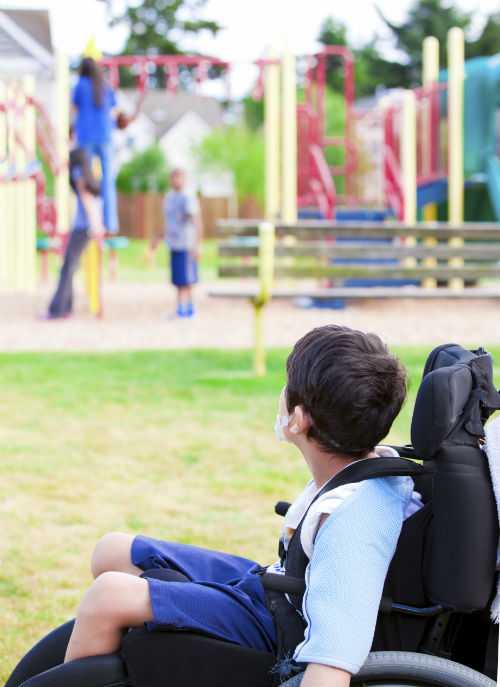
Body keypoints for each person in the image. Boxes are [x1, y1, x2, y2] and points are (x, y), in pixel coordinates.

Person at [57, 325, 422, 687]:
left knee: (107, 598)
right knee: (112, 551)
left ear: (299, 419)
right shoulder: (368, 468)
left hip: (283, 628)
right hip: (279, 586)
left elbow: (333, 662)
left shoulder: (353, 521)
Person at [46, 132, 103, 319]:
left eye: (68, 140)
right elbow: (57, 166)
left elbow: (86, 197)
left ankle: (59, 309)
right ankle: (65, 308)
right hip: (85, 226)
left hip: (83, 227)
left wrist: (96, 226)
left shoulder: (80, 170)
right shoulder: (84, 166)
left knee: (68, 267)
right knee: (69, 266)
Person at [72, 57, 119, 234]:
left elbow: (74, 109)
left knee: (84, 179)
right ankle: (110, 223)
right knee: (108, 179)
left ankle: (87, 220)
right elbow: (114, 110)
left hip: (85, 137)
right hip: (105, 136)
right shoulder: (105, 85)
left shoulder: (80, 85)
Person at [164, 168, 203, 318]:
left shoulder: (188, 197)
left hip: (187, 243)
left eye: (179, 178)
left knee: (187, 278)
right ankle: (183, 307)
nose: (176, 181)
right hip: (174, 243)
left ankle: (187, 308)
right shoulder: (169, 197)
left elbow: (196, 221)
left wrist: (198, 244)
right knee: (178, 279)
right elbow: (169, 222)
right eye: (173, 178)